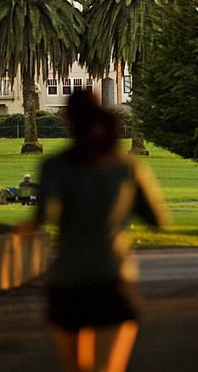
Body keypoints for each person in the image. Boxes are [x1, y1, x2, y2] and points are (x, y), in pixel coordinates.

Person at [31, 90, 167, 372]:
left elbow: (42, 216)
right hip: (112, 277)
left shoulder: (54, 166)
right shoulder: (125, 167)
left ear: (67, 120)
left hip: (68, 279)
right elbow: (157, 219)